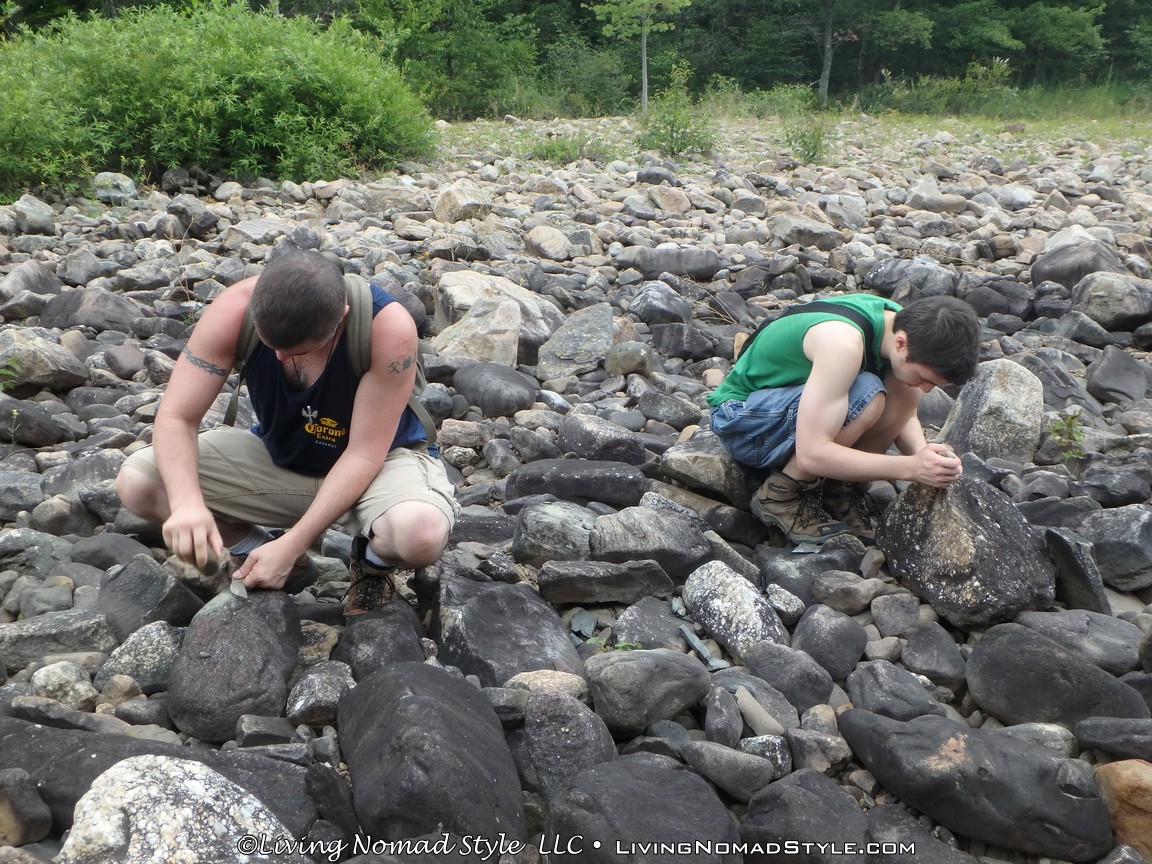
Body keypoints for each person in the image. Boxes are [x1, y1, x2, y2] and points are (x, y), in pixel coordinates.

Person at [116, 251, 458, 614]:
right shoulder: (234, 309)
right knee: (140, 483)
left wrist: (294, 542)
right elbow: (177, 417)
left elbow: (364, 453)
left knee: (420, 534)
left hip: (379, 463)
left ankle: (373, 565)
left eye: (299, 350)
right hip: (281, 455)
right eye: (271, 344)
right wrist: (187, 504)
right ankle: (258, 551)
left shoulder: (386, 328)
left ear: (341, 316)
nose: (280, 358)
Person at [706, 292, 981, 545]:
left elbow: (904, 412)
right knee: (868, 394)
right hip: (742, 423)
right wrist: (910, 468)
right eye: (925, 378)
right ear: (901, 343)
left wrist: (926, 456)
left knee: (904, 386)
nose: (927, 390)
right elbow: (812, 455)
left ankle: (839, 490)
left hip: (783, 408)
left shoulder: (902, 325)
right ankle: (780, 495)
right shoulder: (843, 344)